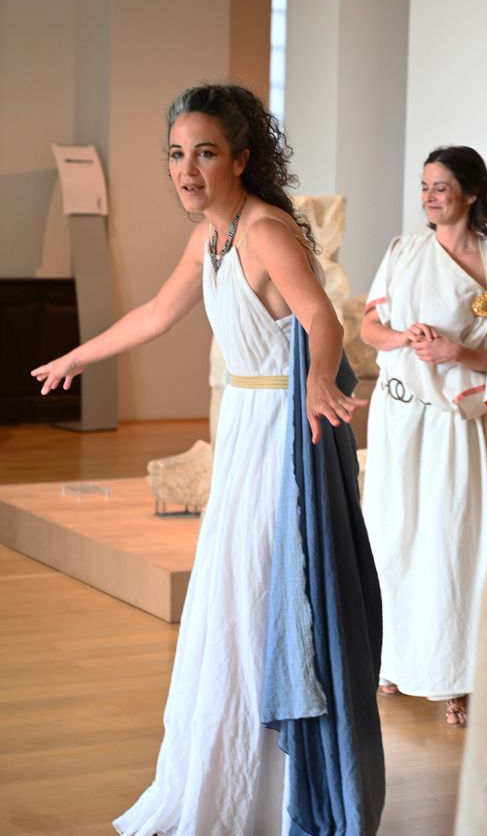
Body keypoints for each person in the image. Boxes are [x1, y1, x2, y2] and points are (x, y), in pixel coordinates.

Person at [31, 83, 384, 835]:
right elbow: (157, 313)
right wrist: (76, 356)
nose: (186, 169)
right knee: (228, 600)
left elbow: (321, 316)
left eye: (205, 154)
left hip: (285, 435)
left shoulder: (263, 232)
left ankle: (276, 795)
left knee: (261, 594)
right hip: (245, 431)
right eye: (175, 154)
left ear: (243, 158)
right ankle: (218, 780)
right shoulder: (209, 237)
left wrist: (321, 377)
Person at [359, 146, 487, 727]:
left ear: (473, 193)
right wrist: (405, 337)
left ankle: (458, 678)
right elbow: (368, 327)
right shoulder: (404, 252)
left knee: (455, 546)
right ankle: (391, 659)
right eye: (424, 186)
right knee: (392, 536)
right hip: (398, 419)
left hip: (459, 428)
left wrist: (458, 351)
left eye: (441, 187)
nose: (429, 197)